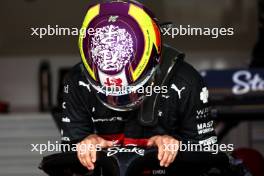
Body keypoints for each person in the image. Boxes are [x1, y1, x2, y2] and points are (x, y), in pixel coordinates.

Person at [60, 0, 217, 171]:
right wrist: (84, 144)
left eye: (133, 89)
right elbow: (66, 165)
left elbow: (209, 160)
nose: (119, 98)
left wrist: (178, 147)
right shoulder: (77, 81)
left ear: (156, 61)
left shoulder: (186, 82)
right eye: (108, 92)